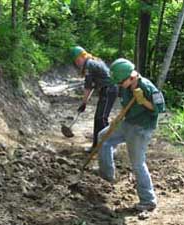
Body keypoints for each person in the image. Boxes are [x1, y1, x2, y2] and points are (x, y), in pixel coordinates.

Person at [98, 58, 165, 211]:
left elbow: (160, 108)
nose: (120, 85)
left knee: (137, 164)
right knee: (104, 137)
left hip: (140, 129)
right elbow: (125, 105)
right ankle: (106, 175)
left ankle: (148, 200)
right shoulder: (127, 84)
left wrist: (143, 101)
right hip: (127, 123)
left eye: (121, 83)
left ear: (132, 77)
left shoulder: (148, 87)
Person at [70, 46, 118, 150]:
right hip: (105, 90)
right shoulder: (92, 62)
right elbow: (91, 86)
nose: (77, 63)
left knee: (102, 118)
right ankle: (96, 146)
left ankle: (110, 147)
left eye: (78, 60)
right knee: (98, 118)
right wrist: (84, 103)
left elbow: (87, 86)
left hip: (109, 89)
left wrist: (83, 102)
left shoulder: (89, 65)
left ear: (84, 56)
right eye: (76, 61)